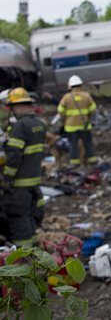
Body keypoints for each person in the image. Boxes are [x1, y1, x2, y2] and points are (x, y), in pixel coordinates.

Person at [1, 88, 46, 246]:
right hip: (34, 183)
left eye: (12, 108)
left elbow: (14, 157)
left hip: (19, 185)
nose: (12, 112)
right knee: (29, 220)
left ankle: (23, 260)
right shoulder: (39, 125)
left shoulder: (20, 126)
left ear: (19, 106)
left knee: (18, 220)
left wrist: (7, 179)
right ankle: (34, 254)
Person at [57, 75, 98, 166]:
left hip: (71, 127)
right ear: (80, 85)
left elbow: (60, 110)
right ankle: (93, 161)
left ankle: (74, 163)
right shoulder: (86, 96)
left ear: (70, 86)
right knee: (88, 143)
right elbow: (93, 109)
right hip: (85, 126)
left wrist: (65, 119)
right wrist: (88, 117)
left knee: (73, 145)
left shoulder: (66, 97)